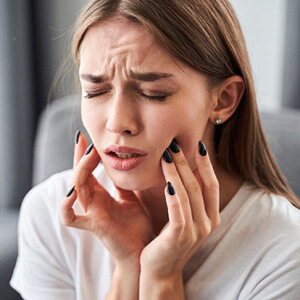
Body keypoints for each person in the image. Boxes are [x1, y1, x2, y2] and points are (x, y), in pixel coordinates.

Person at [10, 0, 300, 299]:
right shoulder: (50, 212)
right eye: (95, 91)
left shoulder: (286, 252)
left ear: (223, 100)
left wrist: (162, 278)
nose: (118, 123)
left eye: (153, 94)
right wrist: (128, 268)